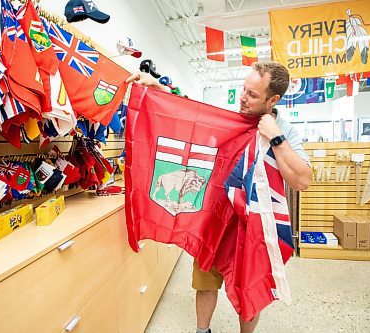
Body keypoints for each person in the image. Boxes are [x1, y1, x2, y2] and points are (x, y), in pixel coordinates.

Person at [126, 61, 312, 333]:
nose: (243, 98)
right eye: (243, 89)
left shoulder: (285, 131)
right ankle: (203, 331)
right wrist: (161, 89)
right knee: (205, 283)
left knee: (250, 291)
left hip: (252, 227)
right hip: (214, 218)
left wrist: (275, 137)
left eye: (252, 94)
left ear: (273, 99)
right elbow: (194, 118)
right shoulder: (233, 118)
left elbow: (302, 180)